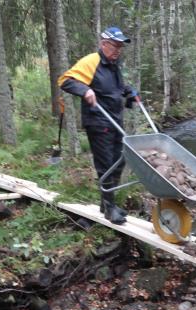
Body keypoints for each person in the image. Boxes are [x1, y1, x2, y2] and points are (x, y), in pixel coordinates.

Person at [58, 27, 137, 225]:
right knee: (106, 165)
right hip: (98, 121)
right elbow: (65, 81)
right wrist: (84, 90)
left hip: (114, 119)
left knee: (120, 160)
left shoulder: (113, 64)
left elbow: (114, 89)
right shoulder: (91, 61)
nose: (118, 50)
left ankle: (106, 203)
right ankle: (110, 209)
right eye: (115, 45)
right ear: (103, 44)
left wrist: (129, 91)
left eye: (120, 46)